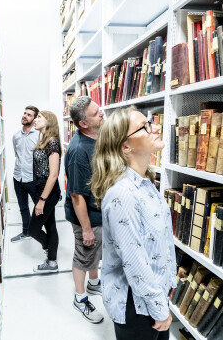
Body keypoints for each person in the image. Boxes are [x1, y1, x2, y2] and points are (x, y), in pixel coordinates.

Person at [91, 106, 176, 340]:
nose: (156, 127)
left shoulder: (146, 183)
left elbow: (160, 240)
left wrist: (170, 280)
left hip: (153, 298)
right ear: (125, 147)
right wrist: (160, 309)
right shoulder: (123, 195)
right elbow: (134, 260)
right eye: (145, 126)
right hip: (136, 306)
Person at [64, 96, 104, 324]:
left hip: (96, 212)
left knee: (94, 253)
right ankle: (80, 299)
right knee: (85, 253)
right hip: (85, 216)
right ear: (83, 124)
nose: (101, 113)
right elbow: (76, 195)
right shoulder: (79, 150)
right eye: (95, 112)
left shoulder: (96, 137)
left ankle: (94, 283)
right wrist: (86, 229)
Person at [28, 111, 61, 273]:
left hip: (47, 193)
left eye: (39, 117)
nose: (35, 119)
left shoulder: (52, 142)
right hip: (41, 189)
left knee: (32, 229)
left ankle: (50, 249)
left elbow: (53, 174)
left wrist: (42, 200)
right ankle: (52, 261)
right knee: (50, 225)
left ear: (49, 121)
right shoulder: (44, 140)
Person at [11, 106, 40, 243]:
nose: (25, 116)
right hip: (18, 177)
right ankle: (26, 232)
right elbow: (17, 155)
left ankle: (39, 232)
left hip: (33, 179)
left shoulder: (39, 135)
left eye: (29, 115)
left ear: (34, 119)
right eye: (24, 113)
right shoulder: (16, 136)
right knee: (23, 207)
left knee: (40, 207)